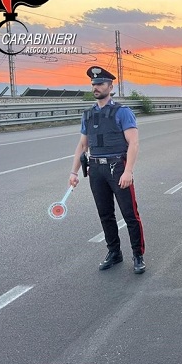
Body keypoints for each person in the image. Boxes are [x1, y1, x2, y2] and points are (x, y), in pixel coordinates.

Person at [69, 66, 146, 274]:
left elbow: (134, 143)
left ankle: (138, 255)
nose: (96, 87)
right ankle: (114, 252)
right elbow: (82, 145)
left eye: (100, 83)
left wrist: (128, 171)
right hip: (96, 170)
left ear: (111, 87)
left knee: (130, 215)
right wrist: (74, 172)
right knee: (105, 214)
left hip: (117, 168)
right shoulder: (88, 115)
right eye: (93, 84)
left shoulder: (123, 112)